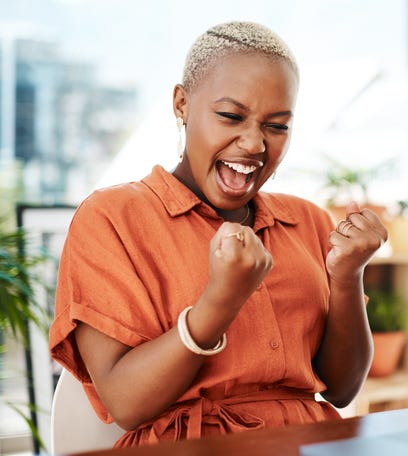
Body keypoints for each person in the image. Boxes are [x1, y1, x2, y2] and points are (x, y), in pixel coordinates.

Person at [49, 21, 388, 448]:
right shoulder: (112, 218)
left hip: (305, 442)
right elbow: (126, 404)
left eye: (277, 126)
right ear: (182, 104)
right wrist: (221, 300)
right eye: (230, 116)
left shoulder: (308, 222)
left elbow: (341, 390)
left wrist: (347, 275)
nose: (254, 143)